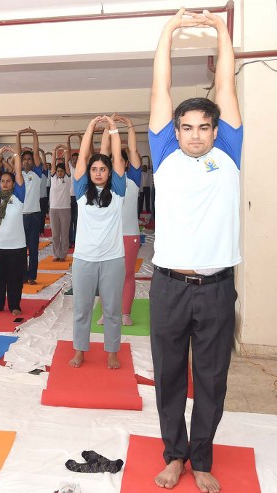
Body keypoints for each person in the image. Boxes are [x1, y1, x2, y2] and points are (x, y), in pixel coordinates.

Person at [148, 9, 242, 492]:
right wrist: (169, 31)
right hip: (168, 286)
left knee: (211, 378)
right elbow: (160, 89)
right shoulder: (164, 155)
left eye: (204, 126)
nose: (196, 134)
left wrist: (222, 31)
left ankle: (200, 458)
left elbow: (225, 82)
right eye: (187, 127)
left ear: (215, 129)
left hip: (216, 287)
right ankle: (174, 455)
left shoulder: (228, 153)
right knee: (168, 377)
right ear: (176, 130)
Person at [69, 115, 126, 370]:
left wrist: (113, 131)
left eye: (103, 169)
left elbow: (118, 161)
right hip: (84, 259)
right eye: (95, 169)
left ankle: (112, 352)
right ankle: (80, 351)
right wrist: (90, 128)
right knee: (82, 310)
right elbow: (82, 158)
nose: (98, 172)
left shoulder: (118, 192)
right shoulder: (82, 193)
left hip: (113, 259)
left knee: (113, 310)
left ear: (109, 172)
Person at [0, 146, 26, 317]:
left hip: (17, 246)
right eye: (2, 181)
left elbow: (18, 173)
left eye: (8, 181)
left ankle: (15, 305)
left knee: (15, 279)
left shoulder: (19, 195)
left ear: (13, 183)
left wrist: (16, 155)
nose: (4, 183)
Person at [117, 116, 142, 326]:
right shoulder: (105, 180)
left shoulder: (132, 178)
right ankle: (109, 312)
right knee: (107, 277)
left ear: (126, 164)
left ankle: (125, 312)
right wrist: (109, 131)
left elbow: (133, 151)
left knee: (127, 274)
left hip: (129, 234)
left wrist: (129, 126)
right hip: (109, 235)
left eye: (121, 160)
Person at [17, 128, 43, 284]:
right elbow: (17, 154)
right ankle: (22, 275)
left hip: (34, 215)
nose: (27, 161)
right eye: (24, 159)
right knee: (20, 249)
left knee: (33, 249)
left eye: (29, 159)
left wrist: (34, 134)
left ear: (33, 161)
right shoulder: (18, 175)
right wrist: (18, 136)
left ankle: (32, 276)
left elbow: (35, 153)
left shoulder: (37, 173)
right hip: (19, 216)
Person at [48, 145, 71, 262]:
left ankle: (63, 255)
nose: (59, 172)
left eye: (61, 171)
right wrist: (54, 151)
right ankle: (56, 254)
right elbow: (52, 165)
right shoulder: (53, 178)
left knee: (64, 233)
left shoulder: (67, 179)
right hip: (54, 209)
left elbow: (67, 165)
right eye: (58, 171)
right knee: (55, 234)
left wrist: (66, 152)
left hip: (65, 208)